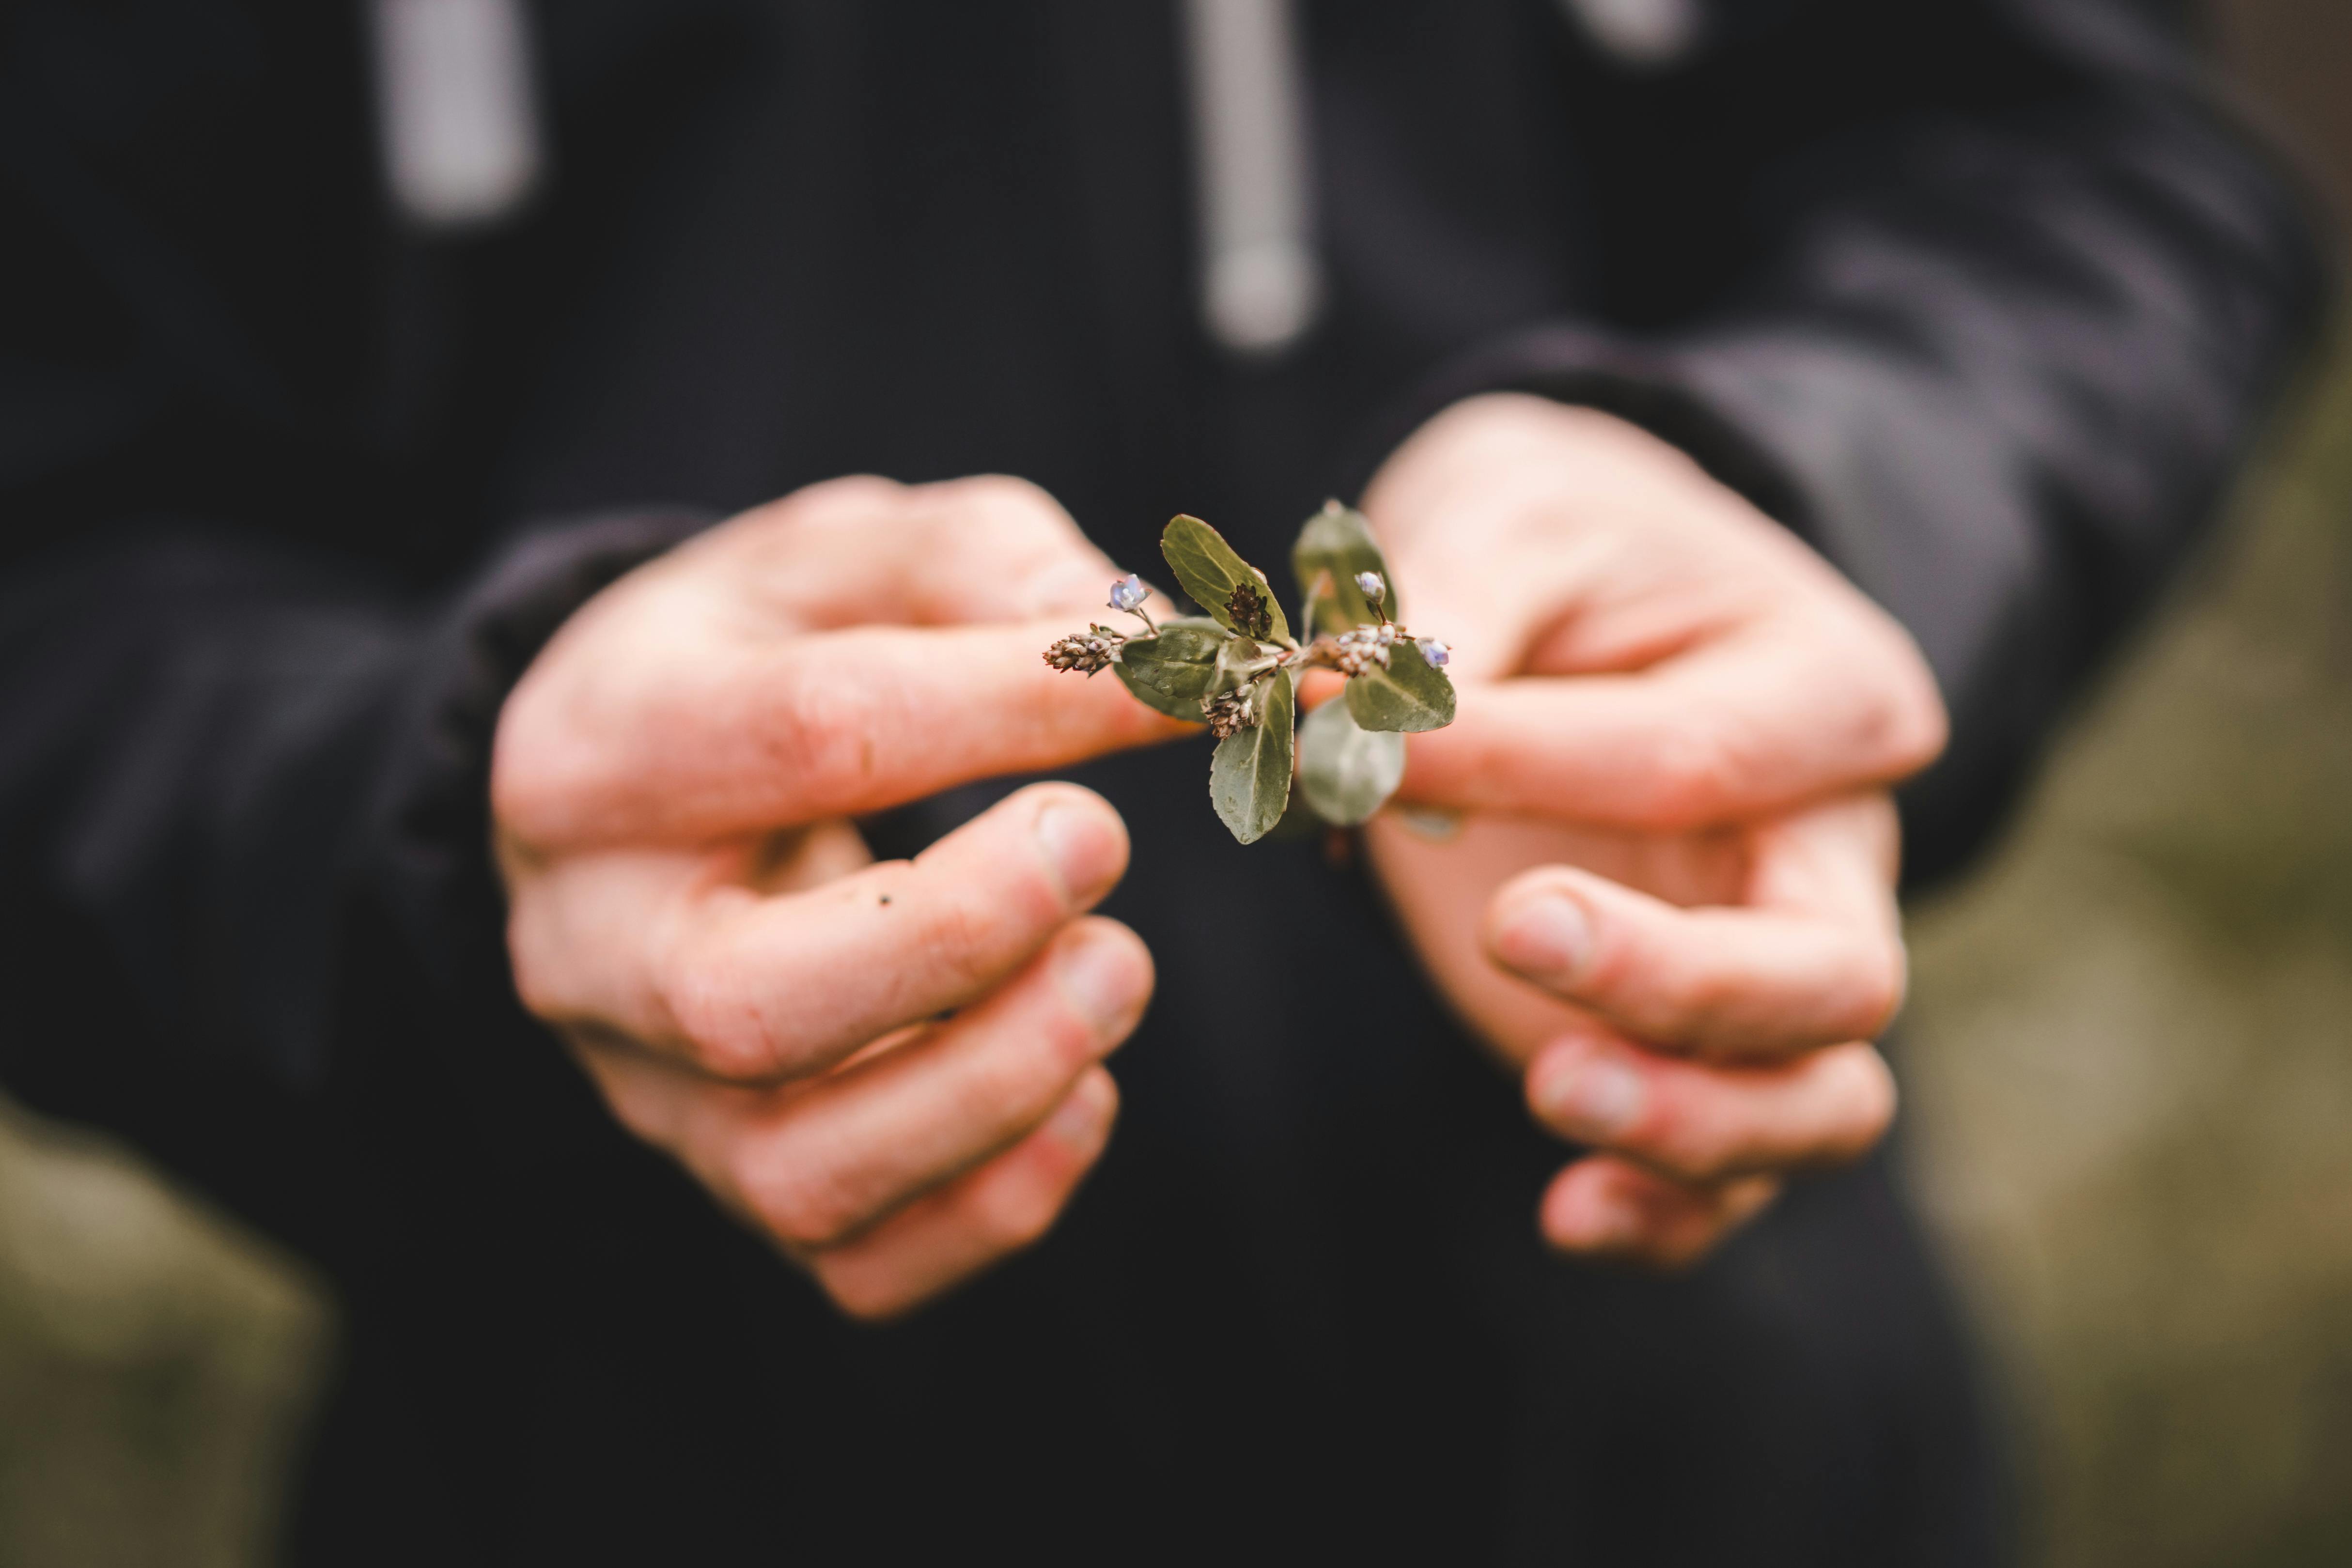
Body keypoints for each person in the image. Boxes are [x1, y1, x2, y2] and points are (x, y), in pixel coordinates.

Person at [0, 0, 2321, 1561]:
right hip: (588, 1451)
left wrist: (1835, 492)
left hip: (1691, 1440)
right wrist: (413, 830)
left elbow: (2093, 158)